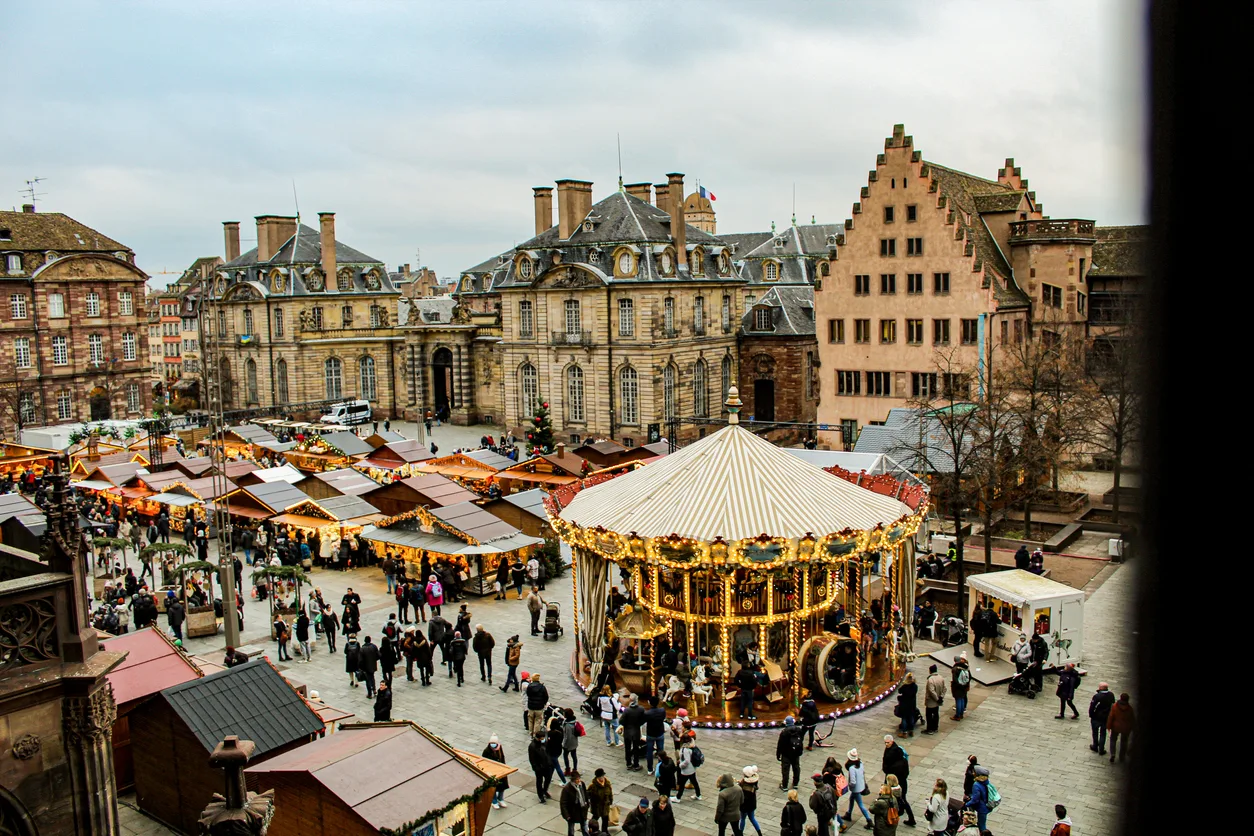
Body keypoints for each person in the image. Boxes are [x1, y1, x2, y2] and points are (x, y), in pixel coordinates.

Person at [881, 736, 915, 827]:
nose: (886, 744)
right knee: (903, 799)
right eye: (885, 742)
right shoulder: (903, 760)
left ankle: (891, 816)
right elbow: (906, 773)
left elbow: (886, 768)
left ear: (892, 742)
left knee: (894, 799)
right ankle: (909, 816)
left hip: (895, 783)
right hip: (902, 782)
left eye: (888, 742)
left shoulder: (893, 763)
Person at [840, 749, 872, 830]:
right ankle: (848, 813)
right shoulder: (860, 763)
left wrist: (848, 785)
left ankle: (869, 820)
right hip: (861, 786)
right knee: (851, 799)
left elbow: (853, 782)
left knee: (860, 804)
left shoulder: (851, 768)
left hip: (855, 789)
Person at [777, 716, 805, 790]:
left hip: (786, 754)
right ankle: (795, 783)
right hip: (796, 753)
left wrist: (778, 754)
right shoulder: (798, 730)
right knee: (796, 768)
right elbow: (801, 740)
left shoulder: (784, 732)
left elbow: (780, 744)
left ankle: (785, 785)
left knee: (785, 770)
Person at [620, 694, 646, 771]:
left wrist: (626, 725)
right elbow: (644, 719)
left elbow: (621, 721)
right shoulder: (641, 709)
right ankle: (636, 765)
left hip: (627, 732)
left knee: (627, 749)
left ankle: (628, 764)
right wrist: (638, 724)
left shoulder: (627, 710)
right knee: (636, 749)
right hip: (636, 732)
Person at [1107, 692, 1135, 763]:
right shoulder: (1129, 709)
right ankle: (1122, 756)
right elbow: (1132, 719)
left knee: (1113, 739)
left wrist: (1109, 726)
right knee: (1124, 742)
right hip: (1125, 728)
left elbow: (1111, 717)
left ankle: (1113, 754)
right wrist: (1132, 727)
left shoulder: (1115, 706)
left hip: (1115, 726)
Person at [560, 769, 590, 836]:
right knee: (571, 829)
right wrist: (567, 816)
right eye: (577, 779)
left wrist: (587, 804)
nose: (579, 781)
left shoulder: (582, 784)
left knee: (585, 827)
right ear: (572, 780)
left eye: (579, 779)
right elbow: (563, 803)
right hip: (572, 812)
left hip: (582, 810)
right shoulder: (567, 789)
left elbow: (585, 794)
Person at [1088, 681, 1115, 755]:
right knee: (1103, 733)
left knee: (1095, 732)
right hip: (1106, 718)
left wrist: (1091, 715)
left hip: (1096, 717)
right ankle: (1101, 749)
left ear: (1100, 688)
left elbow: (1092, 706)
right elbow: (1112, 705)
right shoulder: (1111, 695)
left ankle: (1095, 746)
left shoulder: (1097, 696)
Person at [483, 735, 509, 809]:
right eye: (491, 743)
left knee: (502, 786)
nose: (493, 744)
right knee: (493, 787)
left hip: (501, 770)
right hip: (492, 772)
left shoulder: (499, 748)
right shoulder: (486, 751)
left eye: (494, 743)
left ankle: (500, 799)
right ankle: (494, 801)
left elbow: (502, 757)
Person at [963, 766, 991, 833]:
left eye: (974, 772)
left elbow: (975, 800)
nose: (972, 773)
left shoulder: (976, 785)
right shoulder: (986, 782)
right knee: (982, 823)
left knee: (982, 825)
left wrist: (967, 804)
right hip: (986, 806)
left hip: (982, 808)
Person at [644, 695, 668, 772]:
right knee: (660, 751)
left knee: (649, 751)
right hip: (660, 733)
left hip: (650, 734)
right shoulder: (662, 710)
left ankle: (650, 769)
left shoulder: (647, 713)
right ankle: (661, 767)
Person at [529, 732, 554, 803]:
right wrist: (536, 768)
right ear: (539, 738)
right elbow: (532, 758)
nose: (543, 739)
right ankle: (540, 795)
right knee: (539, 781)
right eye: (542, 738)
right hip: (539, 767)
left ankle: (544, 791)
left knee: (548, 779)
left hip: (547, 765)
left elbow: (547, 752)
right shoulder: (532, 746)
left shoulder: (543, 743)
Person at [739, 766, 762, 836]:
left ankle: (740, 833)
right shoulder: (754, 782)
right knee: (752, 818)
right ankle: (759, 833)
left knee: (742, 818)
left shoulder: (745, 786)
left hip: (744, 805)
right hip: (752, 804)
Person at [589, 768, 614, 832]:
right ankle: (592, 830)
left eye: (603, 776)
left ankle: (604, 832)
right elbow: (588, 795)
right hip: (597, 807)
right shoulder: (593, 786)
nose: (602, 778)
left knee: (605, 821)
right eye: (600, 776)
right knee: (594, 819)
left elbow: (610, 793)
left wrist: (610, 800)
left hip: (605, 806)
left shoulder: (607, 783)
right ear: (597, 777)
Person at [923, 665, 947, 734]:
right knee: (936, 714)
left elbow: (931, 691)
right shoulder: (941, 678)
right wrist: (941, 697)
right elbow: (945, 688)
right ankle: (935, 727)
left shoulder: (930, 679)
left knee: (929, 715)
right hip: (937, 701)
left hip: (931, 701)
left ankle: (930, 729)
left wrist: (937, 699)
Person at [896, 672, 918, 737]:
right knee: (911, 717)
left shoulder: (905, 686)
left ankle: (904, 733)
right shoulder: (915, 686)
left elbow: (899, 691)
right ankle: (911, 731)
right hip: (912, 705)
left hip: (905, 705)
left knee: (904, 718)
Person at [951, 654, 971, 720]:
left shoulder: (955, 668)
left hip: (958, 687)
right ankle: (961, 714)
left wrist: (957, 685)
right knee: (962, 699)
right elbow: (970, 677)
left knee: (958, 700)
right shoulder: (966, 667)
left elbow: (955, 679)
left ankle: (957, 715)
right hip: (965, 686)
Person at [561, 708, 581, 772]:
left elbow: (568, 737)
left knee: (565, 756)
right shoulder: (574, 721)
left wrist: (564, 745)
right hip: (574, 742)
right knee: (574, 756)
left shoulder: (567, 725)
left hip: (569, 744)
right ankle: (575, 769)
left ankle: (567, 769)